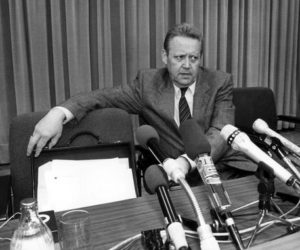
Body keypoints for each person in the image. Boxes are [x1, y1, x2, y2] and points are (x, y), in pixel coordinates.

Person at [27, 23, 256, 182]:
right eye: (179, 57)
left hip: (220, 168)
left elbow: (221, 131)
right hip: (169, 175)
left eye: (193, 58)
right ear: (165, 57)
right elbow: (101, 97)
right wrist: (58, 112)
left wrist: (187, 162)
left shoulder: (219, 82)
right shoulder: (148, 84)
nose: (187, 65)